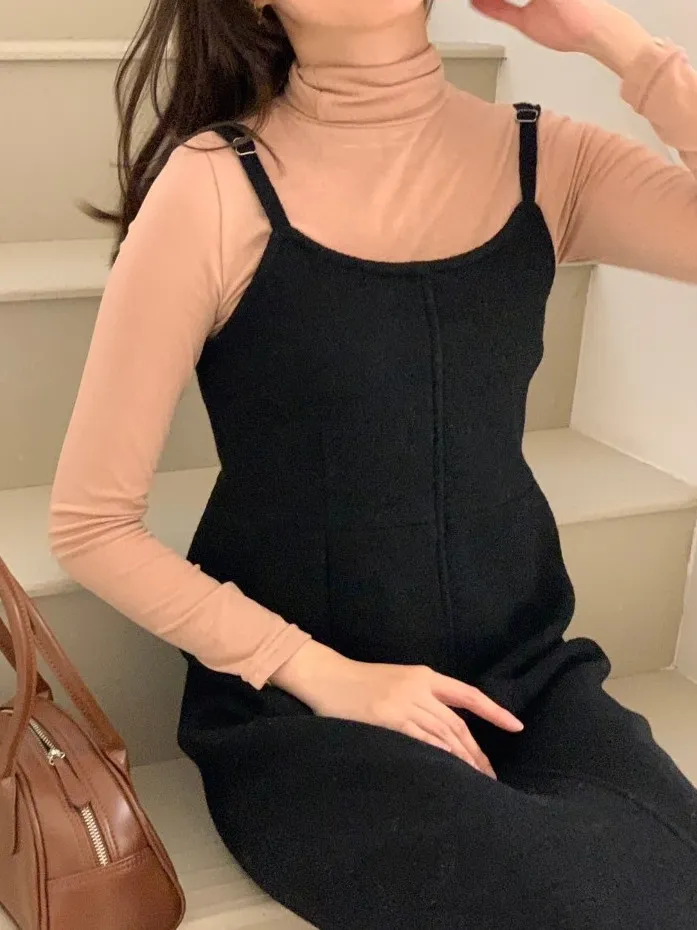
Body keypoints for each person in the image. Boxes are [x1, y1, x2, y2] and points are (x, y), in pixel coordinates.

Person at [49, 0, 697, 926]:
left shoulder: (545, 158)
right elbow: (90, 526)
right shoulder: (212, 187)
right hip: (307, 704)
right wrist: (324, 674)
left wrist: (609, 37)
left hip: (521, 674)